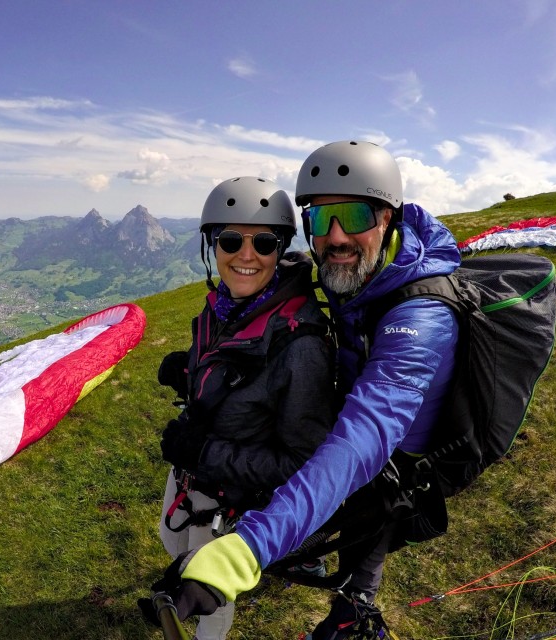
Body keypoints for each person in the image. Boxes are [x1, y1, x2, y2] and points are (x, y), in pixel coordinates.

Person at [145, 141, 462, 639]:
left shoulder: (419, 320)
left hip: (390, 460)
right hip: (343, 443)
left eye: (353, 215)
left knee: (360, 567)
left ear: (388, 218)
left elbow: (355, 441)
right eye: (319, 218)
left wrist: (243, 551)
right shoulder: (349, 275)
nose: (335, 235)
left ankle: (349, 608)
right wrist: (194, 372)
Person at [143, 176, 336, 640]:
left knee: (208, 602)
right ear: (213, 245)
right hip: (191, 473)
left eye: (263, 243)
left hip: (229, 496)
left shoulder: (303, 347)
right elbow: (238, 374)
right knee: (171, 540)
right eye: (230, 240)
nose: (246, 255)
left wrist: (204, 453)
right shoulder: (226, 306)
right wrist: (190, 371)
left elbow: (303, 465)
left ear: (280, 248)